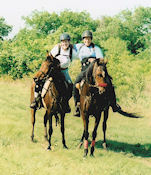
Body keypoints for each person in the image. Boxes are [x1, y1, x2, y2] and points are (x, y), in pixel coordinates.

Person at [73, 30, 121, 117]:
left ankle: (114, 104)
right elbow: (69, 46)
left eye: (88, 39)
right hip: (84, 71)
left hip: (96, 71)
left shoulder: (96, 48)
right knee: (75, 84)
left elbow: (101, 60)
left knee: (109, 83)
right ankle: (77, 105)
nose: (87, 41)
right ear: (83, 40)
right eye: (85, 39)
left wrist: (94, 60)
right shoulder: (79, 47)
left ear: (91, 39)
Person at [30, 33, 77, 113]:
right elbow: (49, 58)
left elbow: (80, 57)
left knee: (71, 87)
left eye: (66, 42)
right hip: (54, 71)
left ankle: (65, 103)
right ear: (61, 43)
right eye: (63, 42)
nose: (64, 44)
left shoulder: (72, 51)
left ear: (69, 42)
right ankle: (36, 100)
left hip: (64, 71)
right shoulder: (57, 48)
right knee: (40, 82)